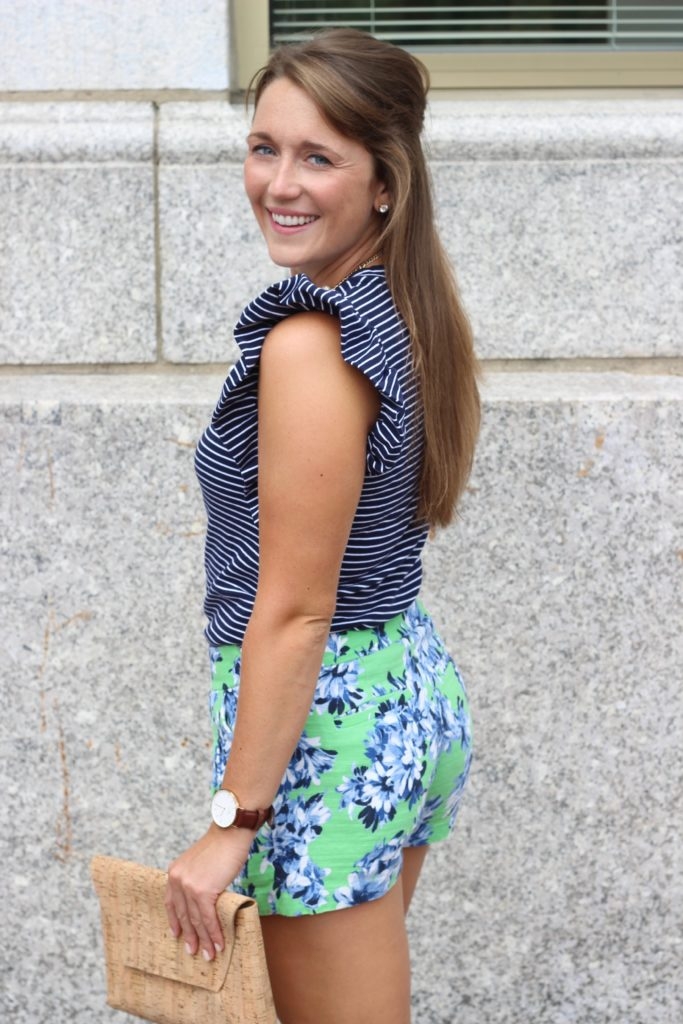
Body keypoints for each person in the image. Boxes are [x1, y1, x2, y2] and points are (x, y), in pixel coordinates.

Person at [165, 27, 480, 1024]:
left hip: (328, 729)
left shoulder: (311, 340)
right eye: (265, 147)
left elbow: (296, 610)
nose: (278, 183)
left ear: (382, 180)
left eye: (317, 156)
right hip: (397, 686)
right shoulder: (398, 300)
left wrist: (233, 821)